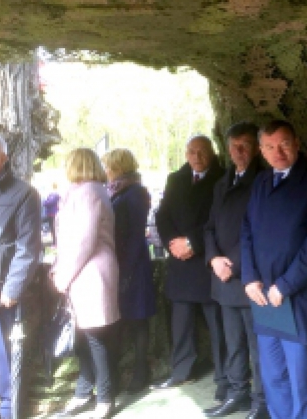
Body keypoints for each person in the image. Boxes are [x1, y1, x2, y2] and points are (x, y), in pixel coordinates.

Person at [241, 120, 307, 419]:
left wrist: (286, 284)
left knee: (302, 378)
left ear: (296, 143)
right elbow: (247, 231)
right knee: (273, 377)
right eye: (269, 147)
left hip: (297, 295)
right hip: (263, 297)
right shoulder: (261, 181)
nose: (277, 152)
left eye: (283, 144)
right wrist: (249, 278)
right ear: (261, 150)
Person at [153, 134, 227, 398]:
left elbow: (219, 218)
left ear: (212, 153)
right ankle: (181, 371)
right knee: (181, 323)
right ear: (186, 154)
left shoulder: (222, 178)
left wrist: (192, 243)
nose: (197, 157)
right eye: (192, 152)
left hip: (207, 260)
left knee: (217, 324)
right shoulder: (176, 179)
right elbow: (162, 215)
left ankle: (225, 376)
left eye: (202, 151)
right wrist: (172, 243)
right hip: (180, 263)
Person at [203, 122, 268, 419]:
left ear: (256, 148)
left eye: (245, 145)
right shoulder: (222, 183)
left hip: (250, 277)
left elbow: (262, 230)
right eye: (233, 146)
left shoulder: (263, 180)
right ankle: (238, 392)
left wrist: (234, 264)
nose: (239, 151)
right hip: (224, 278)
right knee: (234, 343)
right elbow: (209, 227)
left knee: (258, 346)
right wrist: (214, 259)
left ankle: (261, 400)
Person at [52, 148, 120, 419]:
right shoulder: (84, 192)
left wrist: (64, 275)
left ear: (76, 165)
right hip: (83, 274)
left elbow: (85, 241)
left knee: (95, 338)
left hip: (91, 274)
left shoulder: (89, 192)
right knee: (83, 339)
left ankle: (105, 398)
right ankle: (83, 392)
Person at [101, 148, 157, 394]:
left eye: (108, 166)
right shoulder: (119, 190)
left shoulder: (134, 192)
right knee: (125, 321)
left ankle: (141, 372)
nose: (105, 170)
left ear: (118, 166)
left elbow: (135, 236)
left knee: (137, 320)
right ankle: (122, 373)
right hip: (123, 263)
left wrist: (126, 272)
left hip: (132, 265)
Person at [0, 134, 41, 419]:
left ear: (3, 158)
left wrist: (12, 288)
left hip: (4, 298)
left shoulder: (24, 194)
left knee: (6, 374)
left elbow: (28, 248)